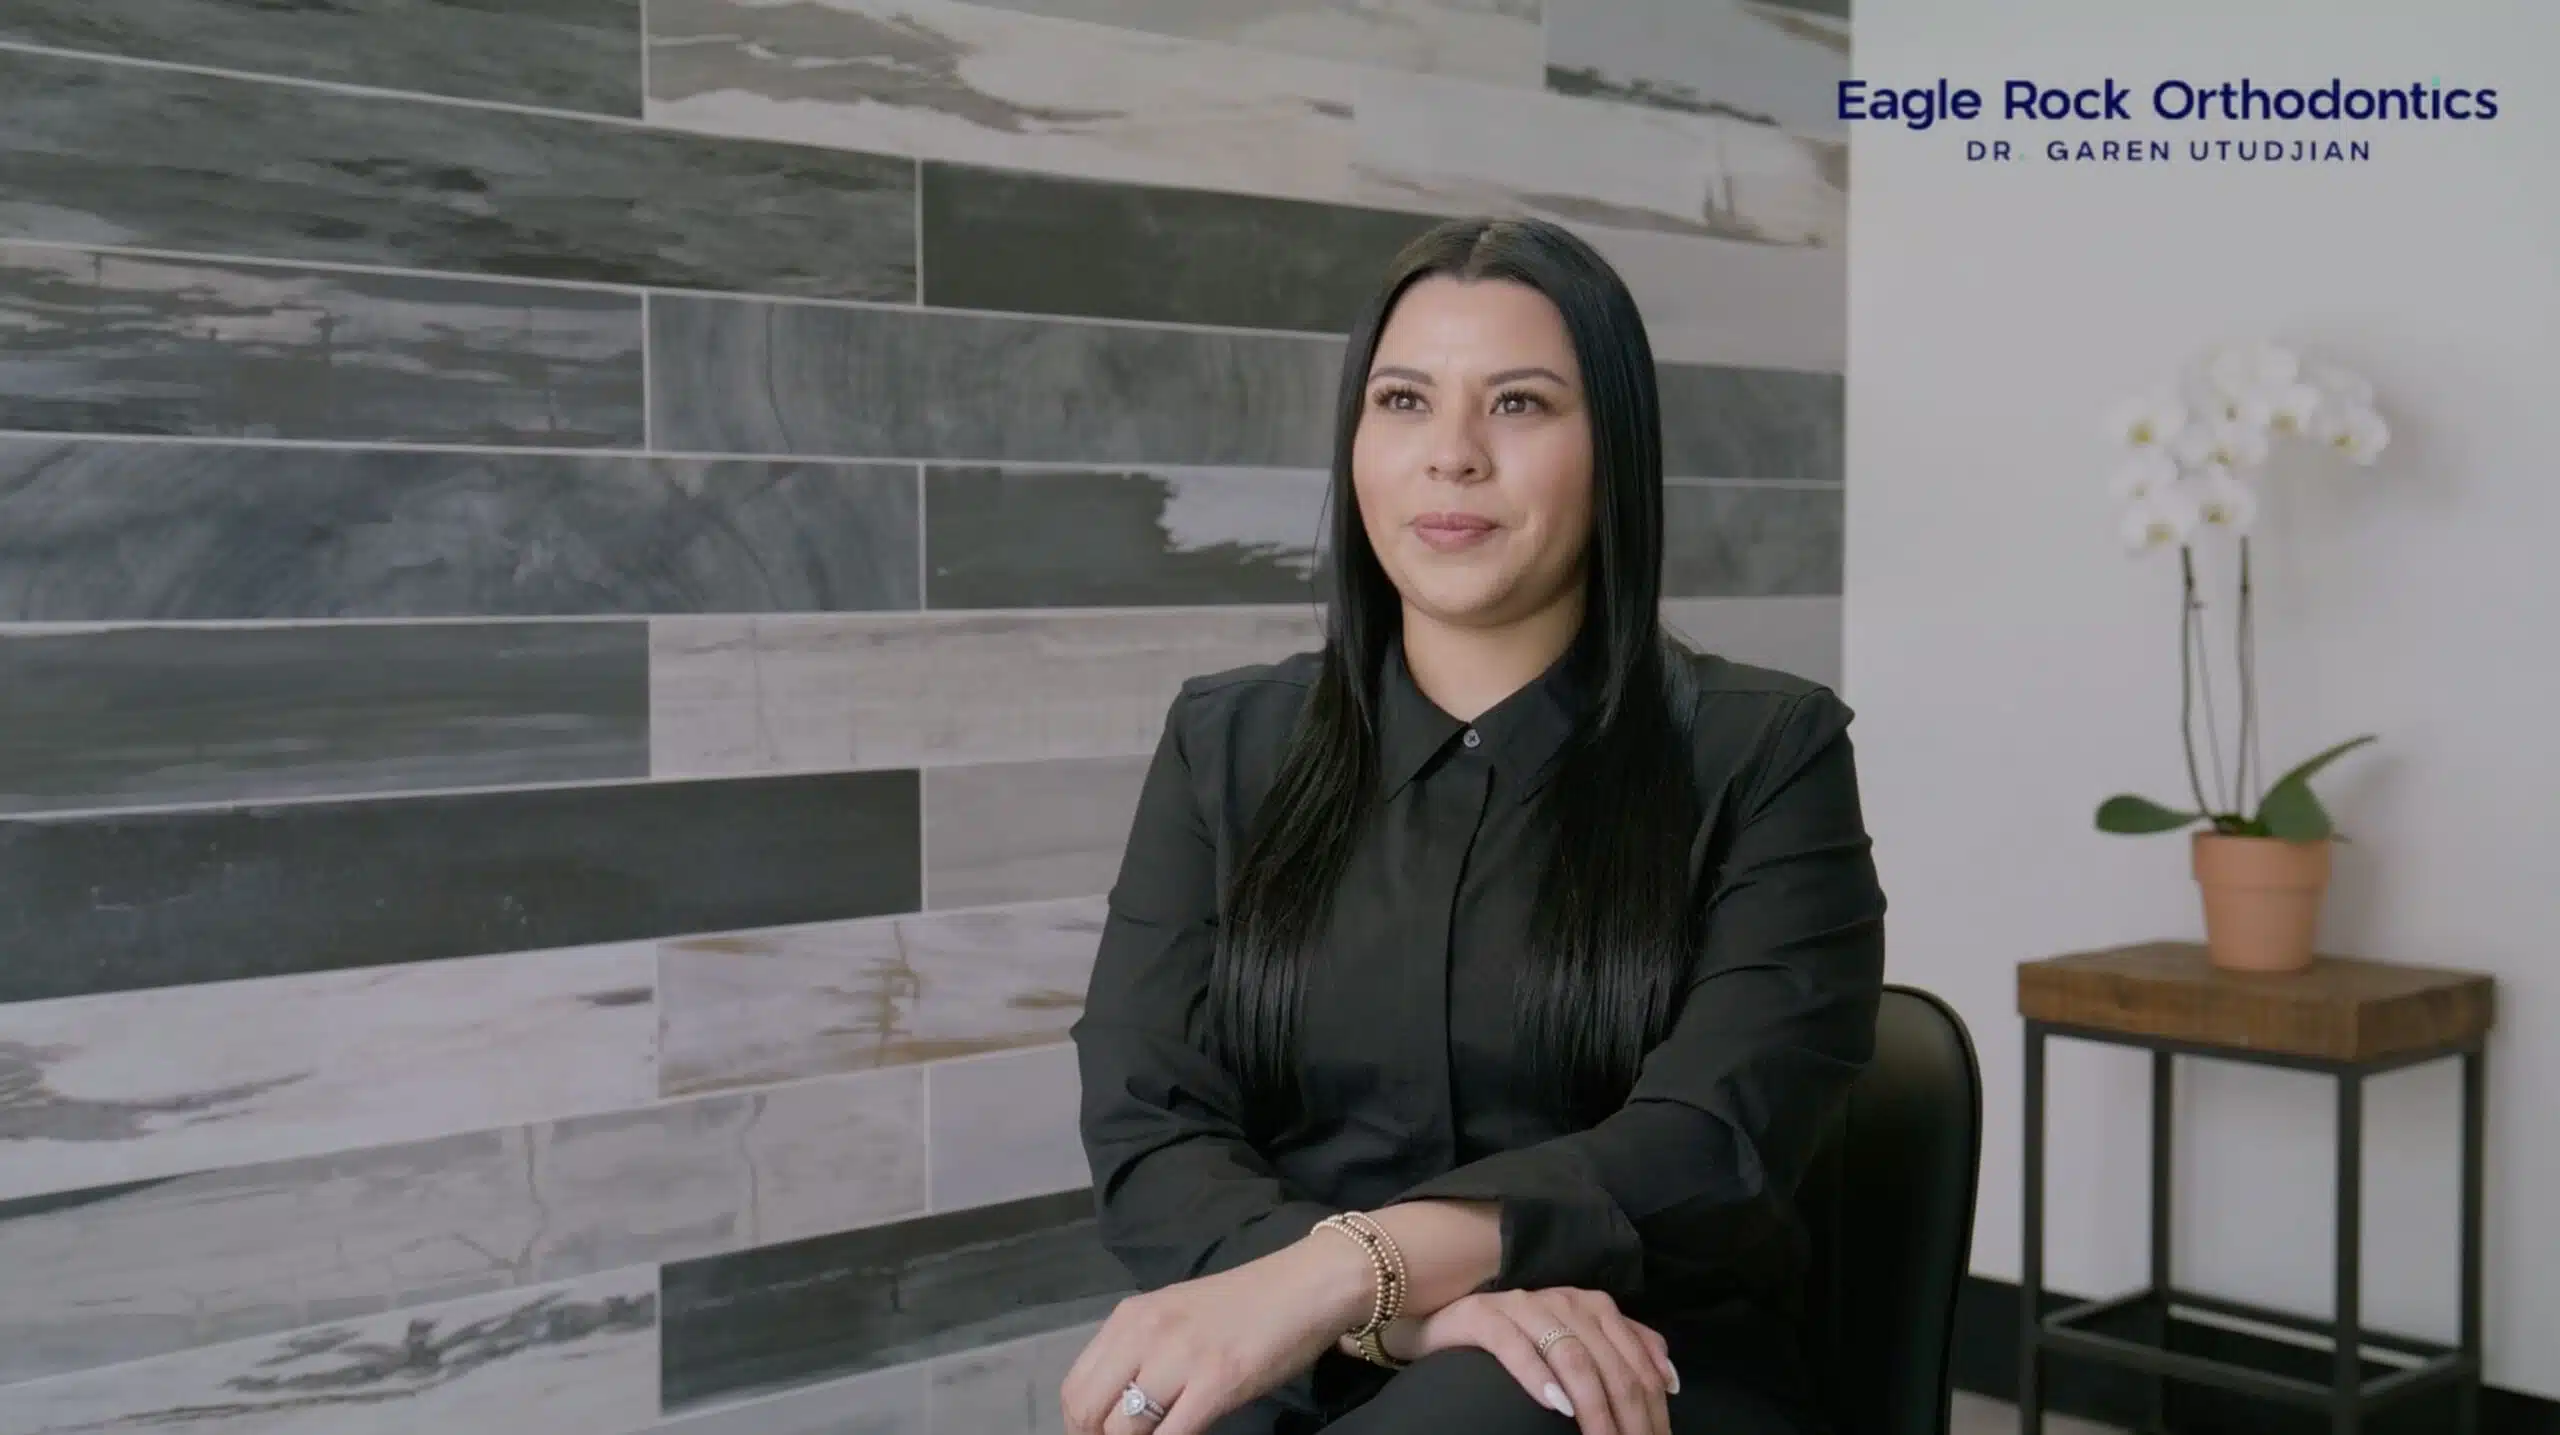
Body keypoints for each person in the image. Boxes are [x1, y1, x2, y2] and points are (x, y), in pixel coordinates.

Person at [1060, 215, 1886, 1435]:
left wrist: (1348, 1271)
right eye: (1402, 400)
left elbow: (1712, 1141)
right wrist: (1394, 1311)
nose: (1451, 456)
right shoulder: (1224, 745)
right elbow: (1150, 1119)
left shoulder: (1764, 752)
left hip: (1632, 1369)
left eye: (1518, 404)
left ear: (1613, 450)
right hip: (1299, 1356)